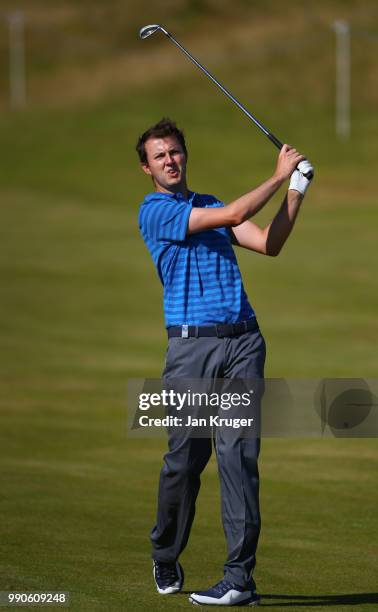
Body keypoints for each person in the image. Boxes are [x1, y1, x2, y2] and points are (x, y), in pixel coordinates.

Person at [136, 118, 313, 607]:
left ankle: (239, 578)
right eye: (159, 155)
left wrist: (295, 191)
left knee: (239, 458)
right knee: (184, 463)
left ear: (185, 155)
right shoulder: (154, 211)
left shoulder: (209, 205)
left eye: (175, 151)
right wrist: (279, 175)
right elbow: (238, 212)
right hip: (191, 351)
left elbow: (268, 243)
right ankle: (165, 551)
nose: (170, 160)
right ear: (146, 167)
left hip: (243, 345)